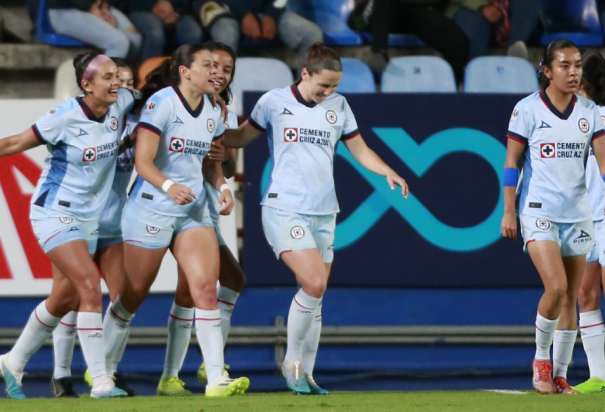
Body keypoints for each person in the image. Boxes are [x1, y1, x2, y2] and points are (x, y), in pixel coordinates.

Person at [222, 42, 408, 394]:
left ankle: (306, 374)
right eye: (323, 85)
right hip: (284, 207)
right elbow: (241, 137)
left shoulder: (339, 106)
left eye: (335, 86)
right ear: (304, 74)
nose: (329, 92)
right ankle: (291, 361)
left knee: (315, 297)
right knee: (314, 283)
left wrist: (387, 171)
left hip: (325, 211)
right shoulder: (274, 101)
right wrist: (210, 131)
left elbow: (359, 148)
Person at [102, 43, 250, 397]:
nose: (217, 72)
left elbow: (210, 161)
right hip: (151, 209)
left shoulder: (214, 110)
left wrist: (222, 187)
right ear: (185, 71)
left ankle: (216, 378)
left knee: (204, 291)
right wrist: (169, 186)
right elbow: (143, 162)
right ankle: (102, 369)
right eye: (208, 65)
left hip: (193, 212)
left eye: (220, 67)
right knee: (130, 298)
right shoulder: (162, 102)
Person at [0, 52, 134, 399]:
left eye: (117, 75)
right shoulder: (64, 116)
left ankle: (12, 360)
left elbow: (159, 90)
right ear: (86, 85)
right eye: (107, 77)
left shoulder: (123, 102)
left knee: (64, 297)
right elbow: (16, 142)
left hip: (89, 216)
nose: (116, 82)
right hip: (54, 212)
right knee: (90, 285)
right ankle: (101, 381)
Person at [501, 40, 605, 394]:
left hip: (577, 214)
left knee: (572, 295)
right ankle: (541, 361)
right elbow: (511, 164)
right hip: (538, 211)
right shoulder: (527, 110)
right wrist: (508, 210)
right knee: (557, 287)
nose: (573, 71)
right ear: (546, 70)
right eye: (565, 65)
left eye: (577, 65)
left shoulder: (591, 112)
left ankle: (560, 375)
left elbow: (604, 165)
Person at [155, 41, 245, 396]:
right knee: (193, 290)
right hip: (174, 208)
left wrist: (222, 156)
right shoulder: (172, 102)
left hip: (205, 210)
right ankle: (194, 370)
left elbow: (230, 167)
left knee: (221, 283)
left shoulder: (223, 112)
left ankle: (193, 370)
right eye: (214, 66)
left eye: (227, 70)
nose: (219, 74)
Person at [50, 58, 139, 398]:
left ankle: (105, 371)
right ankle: (61, 375)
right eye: (116, 79)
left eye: (127, 82)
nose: (122, 87)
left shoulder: (141, 122)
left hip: (114, 223)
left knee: (122, 301)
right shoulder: (82, 120)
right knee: (71, 298)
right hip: (76, 221)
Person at [569, 50, 605, 394]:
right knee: (584, 293)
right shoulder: (576, 119)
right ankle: (599, 376)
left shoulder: (597, 119)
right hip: (584, 218)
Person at [347, 0, 469, 83]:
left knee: (458, 41)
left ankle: (449, 91)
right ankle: (378, 53)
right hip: (377, 11)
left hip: (413, 9)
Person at [193, 0, 322, 70]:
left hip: (265, 11)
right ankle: (218, 100)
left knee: (312, 34)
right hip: (221, 8)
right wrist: (243, 14)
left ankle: (305, 101)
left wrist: (272, 14)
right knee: (226, 34)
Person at [446, 0, 542, 60]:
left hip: (514, 20)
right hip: (473, 11)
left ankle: (515, 51)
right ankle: (479, 71)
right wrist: (481, 6)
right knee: (472, 23)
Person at [114, 0, 203, 60]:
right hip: (141, 9)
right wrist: (154, 6)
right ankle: (150, 78)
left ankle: (191, 76)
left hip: (176, 10)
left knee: (193, 33)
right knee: (155, 33)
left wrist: (173, 9)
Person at [48, 0, 137, 59]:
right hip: (66, 9)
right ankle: (102, 84)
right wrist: (92, 9)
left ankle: (122, 79)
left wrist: (103, 7)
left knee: (134, 38)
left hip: (99, 4)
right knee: (119, 42)